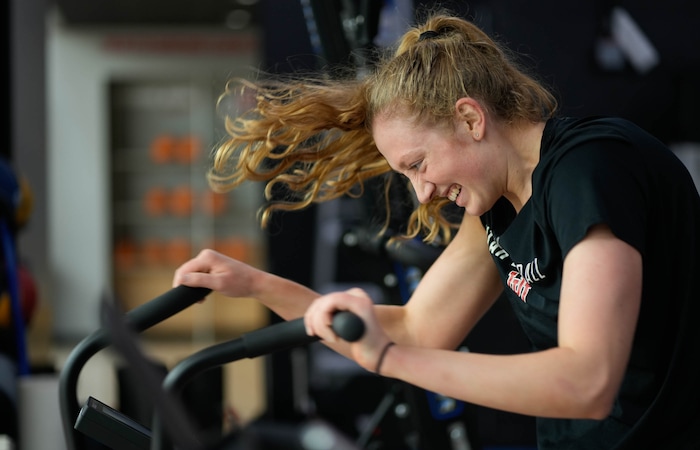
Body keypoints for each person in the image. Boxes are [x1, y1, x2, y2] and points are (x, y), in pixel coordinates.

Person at [173, 10, 700, 450]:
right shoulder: (501, 205)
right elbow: (416, 329)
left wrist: (394, 359)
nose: (422, 193)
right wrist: (257, 285)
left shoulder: (590, 170)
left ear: (470, 119)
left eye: (418, 163)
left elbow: (587, 382)